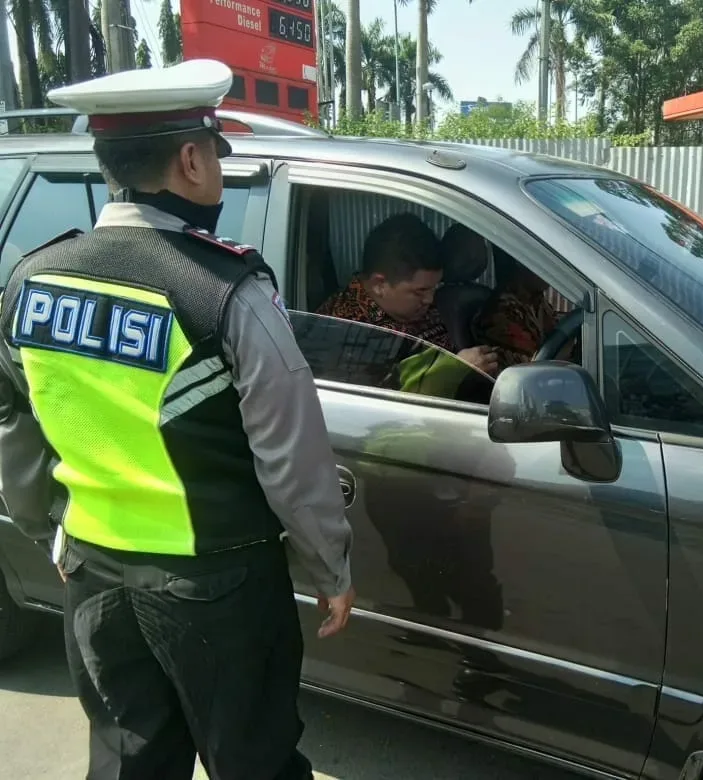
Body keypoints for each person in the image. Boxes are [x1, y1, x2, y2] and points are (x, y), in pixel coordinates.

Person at [0, 59, 354, 780]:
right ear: (190, 160)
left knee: (131, 758)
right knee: (252, 762)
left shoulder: (30, 282)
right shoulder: (223, 293)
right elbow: (293, 460)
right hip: (218, 589)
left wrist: (54, 537)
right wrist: (329, 566)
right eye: (216, 156)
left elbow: (17, 429)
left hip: (94, 575)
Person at [316, 213, 499, 377]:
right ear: (380, 285)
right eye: (420, 291)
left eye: (434, 288)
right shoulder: (345, 330)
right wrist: (453, 370)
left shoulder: (416, 306)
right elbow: (376, 406)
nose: (430, 299)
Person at [475, 247, 576, 367]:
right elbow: (537, 365)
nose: (551, 269)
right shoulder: (503, 310)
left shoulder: (535, 300)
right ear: (522, 262)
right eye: (544, 262)